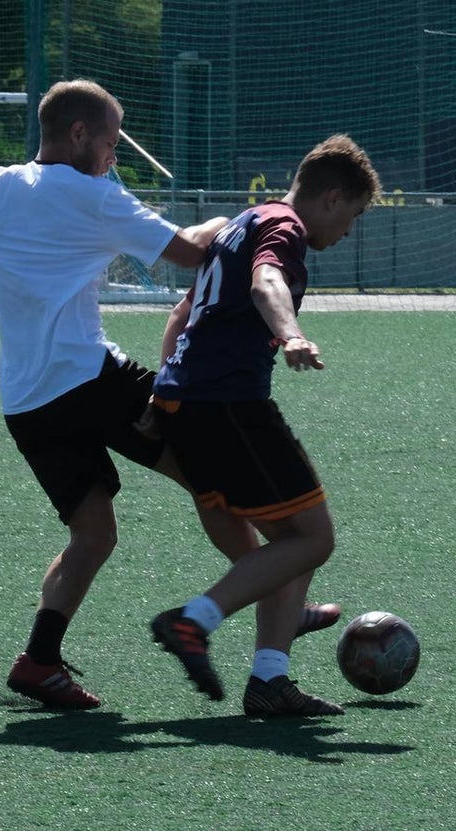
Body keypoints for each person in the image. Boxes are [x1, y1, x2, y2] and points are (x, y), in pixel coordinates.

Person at [0, 79, 340, 711]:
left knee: (94, 534)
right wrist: (234, 219)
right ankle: (274, 592)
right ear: (78, 134)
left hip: (26, 401)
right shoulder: (94, 195)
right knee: (209, 471)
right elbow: (192, 251)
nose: (114, 155)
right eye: (110, 142)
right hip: (90, 380)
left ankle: (38, 662)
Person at [148, 134, 382, 717]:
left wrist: (165, 385)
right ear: (332, 198)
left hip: (186, 403)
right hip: (229, 405)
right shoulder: (285, 227)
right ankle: (194, 620)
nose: (347, 231)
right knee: (313, 539)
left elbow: (182, 311)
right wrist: (291, 334)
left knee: (289, 546)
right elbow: (266, 282)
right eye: (352, 216)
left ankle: (270, 680)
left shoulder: (242, 221)